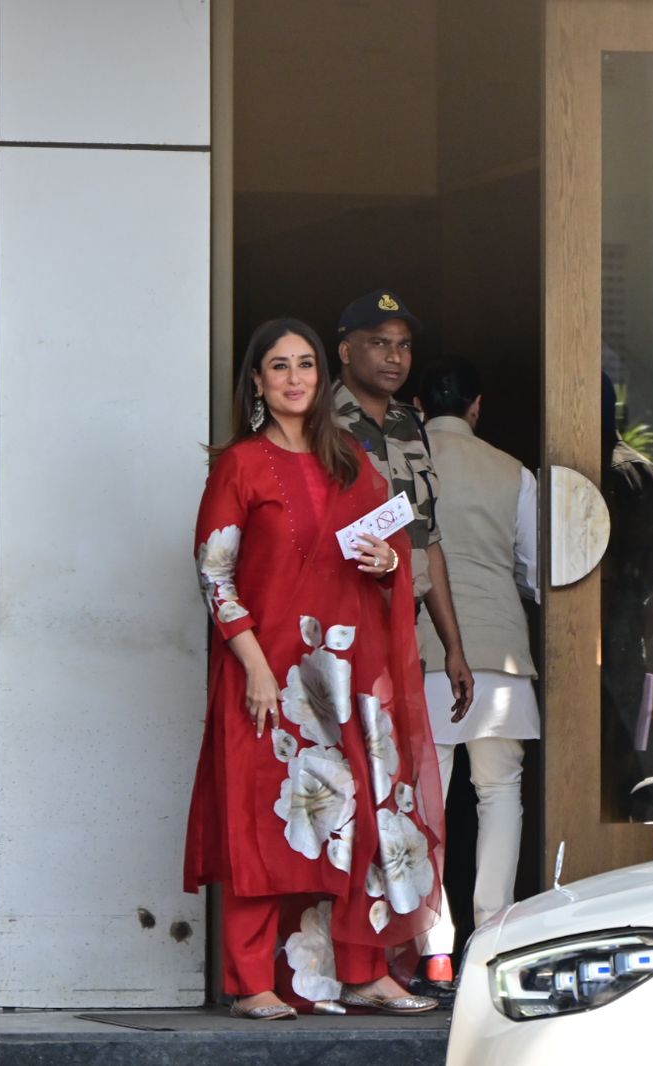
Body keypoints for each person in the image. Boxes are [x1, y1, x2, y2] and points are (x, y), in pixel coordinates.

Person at [184, 318, 445, 1020]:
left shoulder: (351, 461)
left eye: (305, 364)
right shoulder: (238, 465)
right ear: (258, 383)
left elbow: (391, 550)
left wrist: (392, 564)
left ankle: (364, 972)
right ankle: (251, 983)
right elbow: (216, 576)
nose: (295, 378)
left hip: (345, 677)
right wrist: (256, 667)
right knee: (263, 821)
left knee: (360, 816)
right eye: (279, 366)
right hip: (269, 675)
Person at [408, 358, 538, 991]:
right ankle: (490, 938)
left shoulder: (398, 464)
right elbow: (537, 573)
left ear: (416, 406)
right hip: (499, 652)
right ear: (477, 408)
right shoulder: (513, 471)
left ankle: (432, 947)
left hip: (421, 651)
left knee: (424, 803)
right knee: (499, 793)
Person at [331, 290, 474, 720]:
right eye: (379, 342)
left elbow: (427, 540)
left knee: (398, 769)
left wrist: (454, 648)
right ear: (345, 350)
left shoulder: (411, 426)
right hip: (339, 628)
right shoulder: (317, 422)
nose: (394, 356)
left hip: (405, 632)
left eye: (404, 345)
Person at [599, 373, 653, 821]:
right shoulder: (639, 466)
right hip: (629, 614)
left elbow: (639, 555)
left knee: (621, 731)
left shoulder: (621, 471)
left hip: (621, 616)